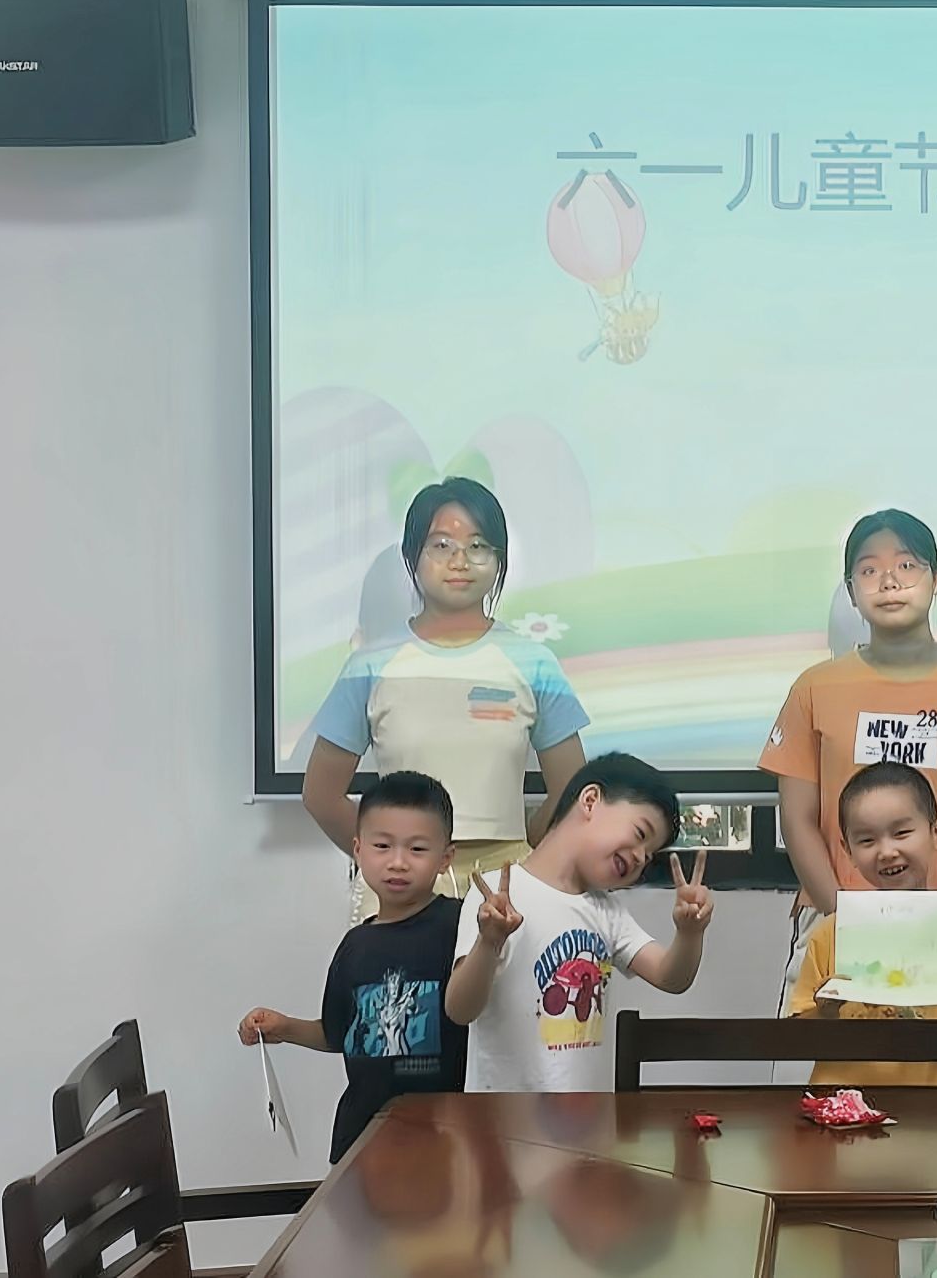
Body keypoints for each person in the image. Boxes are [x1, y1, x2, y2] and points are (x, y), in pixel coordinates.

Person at [761, 509, 937, 1002]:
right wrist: (846, 920)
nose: (889, 581)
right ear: (851, 591)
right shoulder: (814, 688)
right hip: (832, 924)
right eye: (869, 569)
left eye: (907, 566)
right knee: (820, 1050)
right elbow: (798, 819)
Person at [305, 478, 590, 922]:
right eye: (441, 545)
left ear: (499, 559)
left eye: (478, 546)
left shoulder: (534, 663)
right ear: (413, 557)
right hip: (400, 894)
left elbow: (573, 789)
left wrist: (526, 852)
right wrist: (387, 858)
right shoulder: (370, 665)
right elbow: (321, 794)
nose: (460, 561)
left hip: (505, 886)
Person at [446, 752, 712, 1092]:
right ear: (590, 800)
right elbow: (459, 1010)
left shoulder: (608, 912)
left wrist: (690, 933)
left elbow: (670, 977)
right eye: (640, 833)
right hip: (501, 1119)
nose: (639, 857)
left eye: (648, 856)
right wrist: (489, 942)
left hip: (588, 1118)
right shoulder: (497, 895)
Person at [237, 771, 468, 1162]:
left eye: (417, 849)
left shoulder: (461, 925)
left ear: (445, 858)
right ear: (358, 851)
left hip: (446, 1139)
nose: (398, 862)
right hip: (363, 1139)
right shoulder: (355, 945)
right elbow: (338, 1033)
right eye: (382, 846)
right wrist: (283, 1027)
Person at [786, 761, 937, 1086]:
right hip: (840, 1107)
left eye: (902, 833)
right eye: (867, 840)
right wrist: (826, 1011)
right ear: (848, 851)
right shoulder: (829, 936)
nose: (887, 852)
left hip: (933, 1108)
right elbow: (800, 1040)